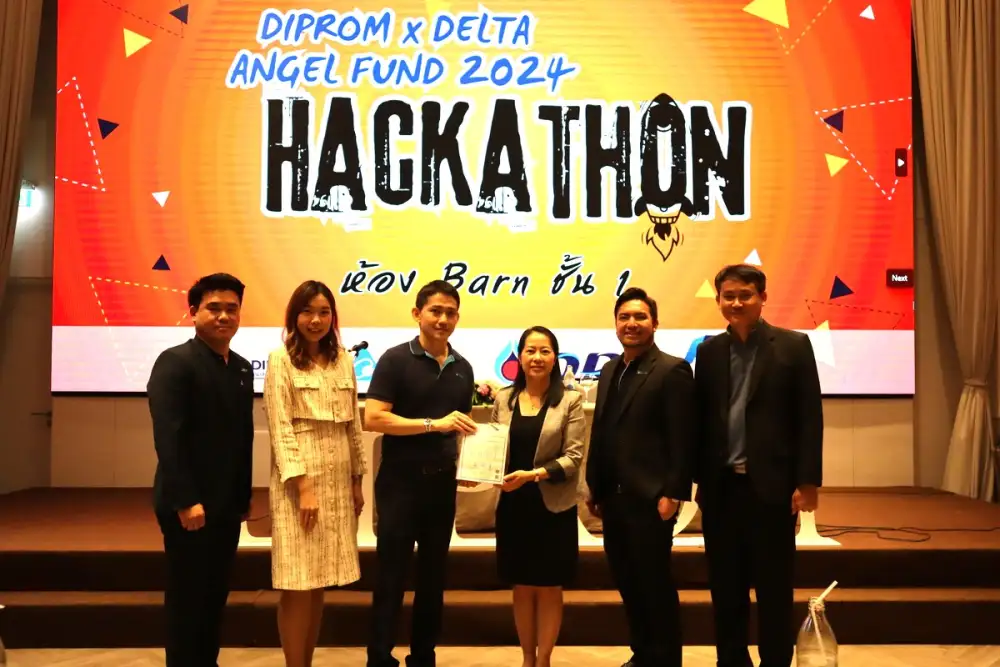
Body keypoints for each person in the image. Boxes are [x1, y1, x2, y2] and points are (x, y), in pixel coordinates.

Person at [693, 264, 824, 667]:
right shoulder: (709, 352)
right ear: (718, 300)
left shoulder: (793, 346)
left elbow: (809, 417)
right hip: (722, 491)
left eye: (745, 295)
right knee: (726, 590)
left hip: (772, 489)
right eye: (728, 296)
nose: (736, 303)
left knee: (774, 590)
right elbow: (702, 419)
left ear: (762, 298)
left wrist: (807, 482)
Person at [363, 280, 478, 667]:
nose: (443, 319)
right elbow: (374, 418)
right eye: (435, 311)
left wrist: (470, 465)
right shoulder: (395, 359)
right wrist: (432, 424)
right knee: (391, 575)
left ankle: (423, 656)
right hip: (400, 483)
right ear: (417, 314)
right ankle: (379, 657)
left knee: (433, 577)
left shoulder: (463, 368)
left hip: (442, 485)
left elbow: (461, 428)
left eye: (450, 313)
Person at [584, 286, 696, 667]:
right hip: (613, 499)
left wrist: (674, 493)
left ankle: (665, 660)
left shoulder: (672, 369)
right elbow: (601, 430)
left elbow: (683, 437)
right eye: (624, 317)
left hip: (651, 499)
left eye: (640, 317)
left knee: (655, 586)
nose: (631, 323)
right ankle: (642, 653)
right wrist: (595, 485)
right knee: (628, 582)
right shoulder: (609, 369)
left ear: (655, 323)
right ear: (616, 323)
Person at [147, 272, 254, 667]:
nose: (224, 316)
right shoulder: (175, 362)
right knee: (187, 599)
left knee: (214, 596)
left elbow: (243, 438)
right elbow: (169, 437)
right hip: (189, 506)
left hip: (226, 507)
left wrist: (242, 498)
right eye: (214, 308)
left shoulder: (240, 368)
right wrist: (185, 500)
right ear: (193, 312)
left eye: (232, 308)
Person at [263, 280, 367, 667]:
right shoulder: (280, 360)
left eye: (324, 312)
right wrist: (303, 487)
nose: (316, 320)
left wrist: (356, 480)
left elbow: (353, 425)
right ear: (294, 316)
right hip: (299, 484)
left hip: (337, 480)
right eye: (307, 312)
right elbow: (280, 427)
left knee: (320, 578)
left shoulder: (343, 360)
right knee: (297, 581)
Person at [489, 326, 586, 667]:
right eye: (530, 350)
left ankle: (544, 659)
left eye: (545, 351)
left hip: (553, 507)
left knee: (549, 586)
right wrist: (482, 472)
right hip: (513, 506)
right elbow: (494, 449)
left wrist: (532, 475)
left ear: (555, 358)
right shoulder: (504, 399)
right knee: (522, 586)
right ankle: (527, 659)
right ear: (519, 356)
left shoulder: (571, 399)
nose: (537, 357)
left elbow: (573, 458)